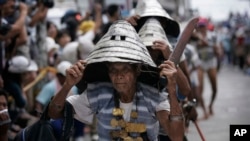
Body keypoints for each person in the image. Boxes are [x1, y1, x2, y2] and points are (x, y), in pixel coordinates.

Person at [48, 20, 184, 141]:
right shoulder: (99, 93)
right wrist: (67, 86)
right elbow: (54, 113)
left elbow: (176, 137)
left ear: (136, 70)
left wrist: (172, 91)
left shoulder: (152, 96)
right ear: (108, 71)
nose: (119, 76)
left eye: (125, 69)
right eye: (113, 70)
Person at [193, 17, 219, 116]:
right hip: (200, 63)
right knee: (199, 89)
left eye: (203, 26)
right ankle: (204, 111)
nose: (202, 28)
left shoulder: (213, 36)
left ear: (206, 26)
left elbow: (218, 49)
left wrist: (217, 50)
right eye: (200, 26)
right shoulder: (195, 36)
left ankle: (210, 105)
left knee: (215, 88)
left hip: (211, 62)